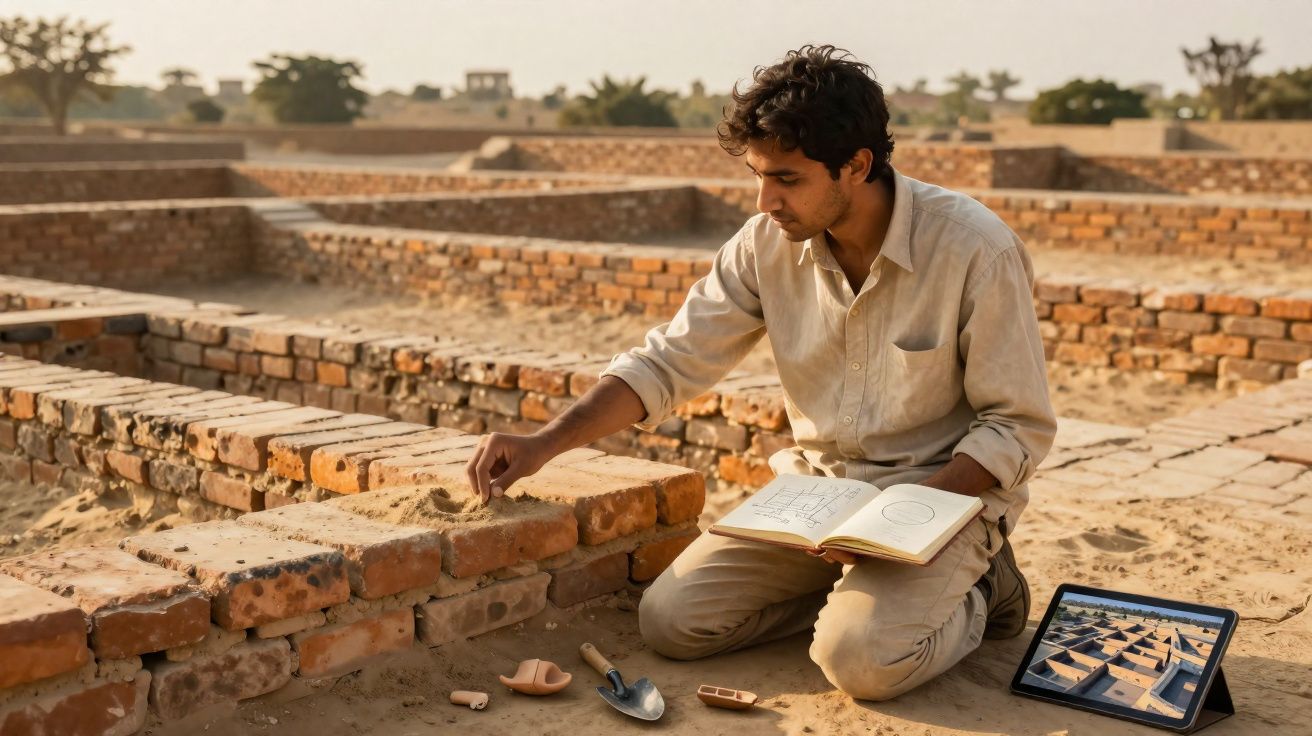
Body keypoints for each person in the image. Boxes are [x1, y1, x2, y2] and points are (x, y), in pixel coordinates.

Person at [465, 44, 1056, 701]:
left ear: (856, 165)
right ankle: (861, 595)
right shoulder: (763, 245)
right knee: (672, 624)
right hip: (821, 499)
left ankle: (983, 590)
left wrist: (903, 524)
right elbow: (668, 361)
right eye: (757, 176)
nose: (765, 199)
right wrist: (543, 443)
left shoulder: (975, 248)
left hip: (941, 501)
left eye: (787, 179)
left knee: (860, 662)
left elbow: (1016, 426)